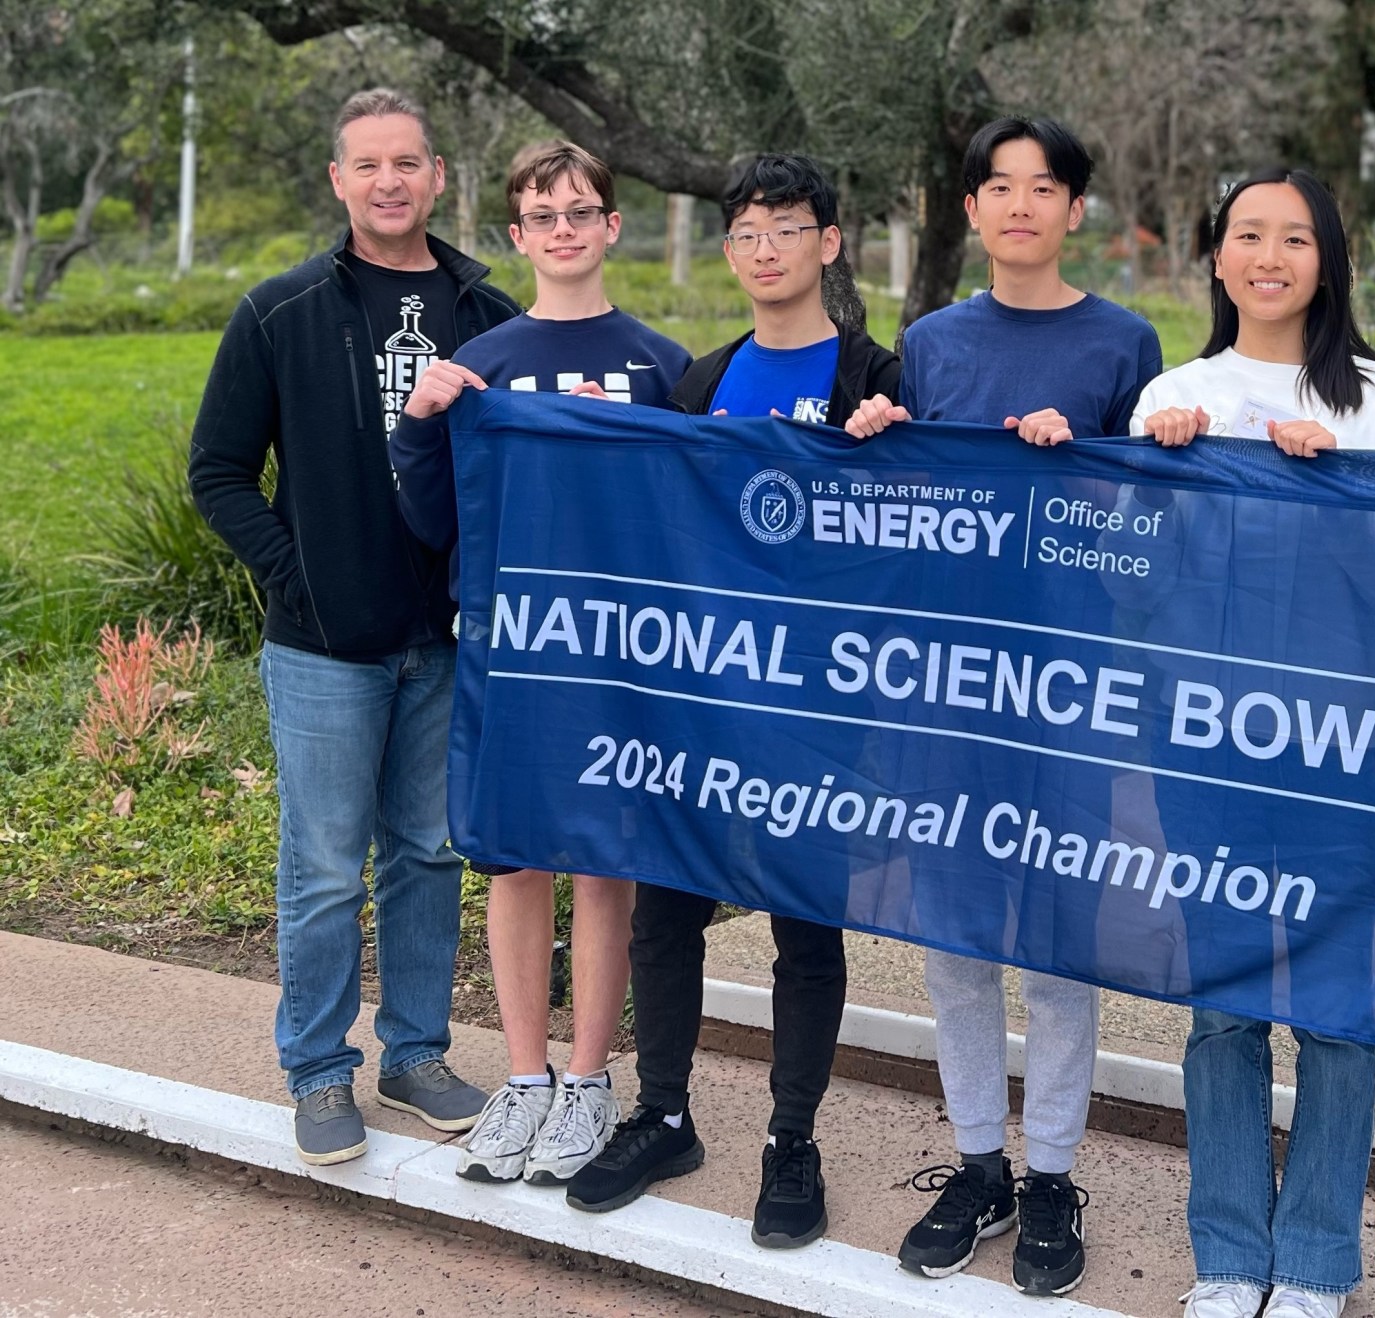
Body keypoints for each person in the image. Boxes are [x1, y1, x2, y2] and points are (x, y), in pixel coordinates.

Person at [845, 115, 1163, 1298]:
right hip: (947, 687)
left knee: (1058, 943)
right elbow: (907, 510)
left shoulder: (1123, 342)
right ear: (968, 209)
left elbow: (1150, 528)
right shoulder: (926, 341)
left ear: (1075, 208)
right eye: (997, 187)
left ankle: (1052, 1172)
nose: (1019, 205)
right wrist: (879, 440)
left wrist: (1076, 462)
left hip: (1065, 688)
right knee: (955, 937)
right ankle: (977, 1161)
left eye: (1043, 188)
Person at [564, 154, 897, 1252]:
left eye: (786, 228)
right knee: (666, 909)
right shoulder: (696, 382)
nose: (766, 249)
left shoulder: (873, 377)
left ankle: (789, 1139)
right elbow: (655, 529)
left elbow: (921, 540)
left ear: (828, 243)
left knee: (807, 923)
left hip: (819, 706)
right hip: (700, 702)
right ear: (729, 251)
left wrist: (886, 457)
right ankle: (662, 1113)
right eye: (746, 232)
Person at [188, 87, 521, 1166]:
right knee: (326, 865)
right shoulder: (280, 311)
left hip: (446, 641)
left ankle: (416, 1053)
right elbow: (219, 472)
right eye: (367, 163)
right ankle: (319, 1071)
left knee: (426, 855)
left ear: (436, 178)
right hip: (324, 646)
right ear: (338, 180)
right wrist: (300, 577)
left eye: (407, 162)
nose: (389, 180)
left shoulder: (487, 312)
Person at [1127, 166, 1375, 1318]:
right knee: (1223, 1005)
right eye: (1246, 234)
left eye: (1293, 237)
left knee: (1336, 1009)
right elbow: (1130, 573)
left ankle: (1312, 1264)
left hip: (1341, 738)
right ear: (1214, 257)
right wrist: (1158, 474)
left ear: (1325, 259)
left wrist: (1341, 486)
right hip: (1203, 738)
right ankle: (1227, 1254)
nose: (1268, 255)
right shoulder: (1175, 388)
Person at [385, 139, 690, 1188]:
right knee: (513, 862)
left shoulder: (659, 365)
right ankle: (523, 1076)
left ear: (611, 225)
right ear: (517, 237)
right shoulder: (488, 368)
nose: (563, 230)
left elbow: (689, 526)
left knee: (604, 859)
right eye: (542, 216)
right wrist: (421, 428)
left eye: (580, 211)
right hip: (512, 655)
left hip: (618, 658)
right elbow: (436, 521)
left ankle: (589, 1078)